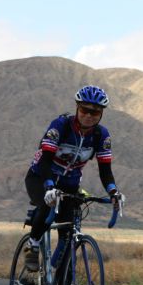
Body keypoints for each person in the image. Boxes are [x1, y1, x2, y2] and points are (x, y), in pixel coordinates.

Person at [24, 85, 125, 271]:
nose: (89, 115)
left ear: (101, 114)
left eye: (95, 112)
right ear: (78, 108)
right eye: (85, 109)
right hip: (40, 176)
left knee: (68, 231)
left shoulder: (101, 136)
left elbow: (105, 170)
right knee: (47, 205)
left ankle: (54, 276)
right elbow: (45, 161)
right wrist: (48, 186)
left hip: (69, 184)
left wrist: (113, 191)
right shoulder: (61, 126)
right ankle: (33, 245)